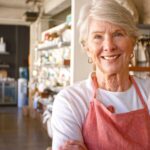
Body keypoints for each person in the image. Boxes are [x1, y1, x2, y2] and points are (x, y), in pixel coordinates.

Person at [51, 0, 150, 150]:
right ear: (86, 47)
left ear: (133, 42)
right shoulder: (70, 101)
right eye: (98, 37)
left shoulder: (148, 92)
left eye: (118, 34)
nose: (109, 46)